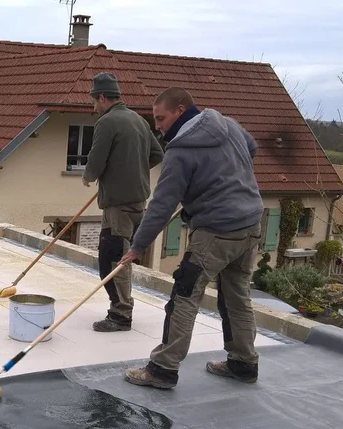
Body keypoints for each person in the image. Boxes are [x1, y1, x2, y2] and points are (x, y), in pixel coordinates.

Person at [117, 86, 265, 389]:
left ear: (180, 110)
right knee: (237, 296)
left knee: (184, 296)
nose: (157, 126)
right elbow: (251, 148)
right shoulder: (227, 123)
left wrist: (138, 246)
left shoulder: (181, 150)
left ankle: (162, 369)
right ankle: (244, 363)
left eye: (161, 118)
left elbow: (161, 204)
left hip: (216, 231)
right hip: (251, 223)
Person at [81, 72, 164, 332]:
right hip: (138, 201)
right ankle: (121, 310)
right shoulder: (139, 120)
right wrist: (130, 170)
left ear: (103, 97)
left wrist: (89, 177)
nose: (94, 107)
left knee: (113, 260)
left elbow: (97, 159)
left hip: (118, 205)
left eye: (95, 101)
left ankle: (120, 315)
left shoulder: (107, 122)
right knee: (119, 256)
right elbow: (157, 154)